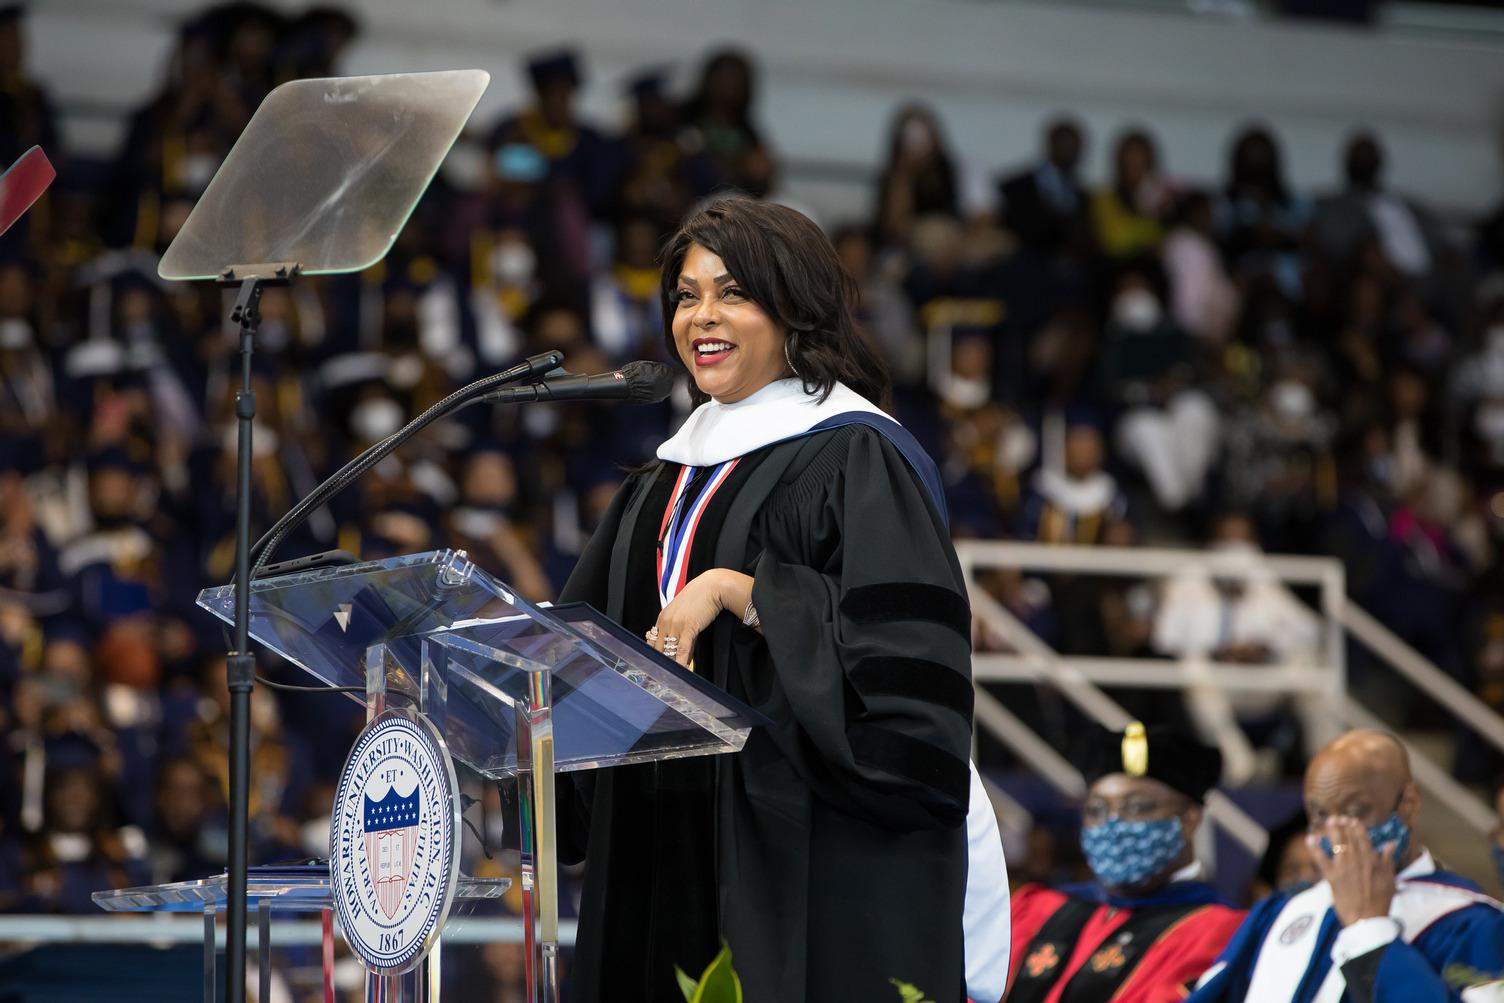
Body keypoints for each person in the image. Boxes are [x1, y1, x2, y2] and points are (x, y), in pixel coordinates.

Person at [555, 197, 1004, 1002]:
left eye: (733, 292)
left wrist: (743, 593)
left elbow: (907, 695)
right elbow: (579, 657)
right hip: (659, 854)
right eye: (686, 296)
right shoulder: (660, 481)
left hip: (802, 858)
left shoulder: (858, 455)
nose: (702, 317)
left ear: (793, 305)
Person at [1189, 729, 1504, 1001]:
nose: (1336, 833)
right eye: (1320, 816)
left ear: (1409, 804)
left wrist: (1368, 930)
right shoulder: (1280, 911)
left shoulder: (1473, 925)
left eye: (1355, 812)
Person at [1005, 722, 1245, 1002]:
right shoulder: (1039, 909)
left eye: (1137, 807)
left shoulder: (1217, 931)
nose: (1114, 824)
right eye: (1097, 810)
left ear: (1190, 818)